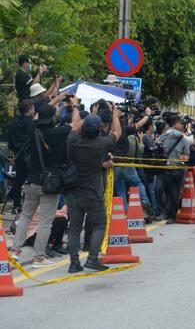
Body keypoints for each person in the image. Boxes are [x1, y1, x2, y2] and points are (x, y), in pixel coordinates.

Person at [12, 99, 82, 267]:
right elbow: (76, 124)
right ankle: (38, 257)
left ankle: (16, 251)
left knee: (26, 216)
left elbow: (38, 114)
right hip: (50, 183)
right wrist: (75, 105)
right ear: (52, 118)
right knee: (45, 221)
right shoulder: (58, 133)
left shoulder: (32, 128)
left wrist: (56, 102)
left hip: (31, 180)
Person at [66, 107, 122, 273]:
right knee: (99, 224)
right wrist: (115, 114)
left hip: (73, 190)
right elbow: (117, 132)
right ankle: (92, 258)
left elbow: (75, 125)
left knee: (74, 227)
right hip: (92, 192)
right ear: (98, 130)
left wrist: (75, 106)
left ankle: (74, 263)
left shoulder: (73, 139)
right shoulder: (101, 144)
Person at [156, 116, 191, 224]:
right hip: (163, 169)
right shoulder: (164, 136)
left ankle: (172, 216)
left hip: (177, 170)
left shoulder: (185, 140)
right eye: (176, 129)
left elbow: (187, 156)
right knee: (158, 190)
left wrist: (182, 158)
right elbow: (156, 145)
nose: (176, 132)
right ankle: (163, 212)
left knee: (174, 195)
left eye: (179, 130)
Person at [7, 99, 35, 213]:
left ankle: (16, 204)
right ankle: (30, 206)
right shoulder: (32, 123)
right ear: (30, 109)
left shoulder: (13, 123)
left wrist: (10, 157)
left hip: (18, 155)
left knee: (18, 180)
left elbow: (10, 142)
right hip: (30, 155)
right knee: (31, 181)